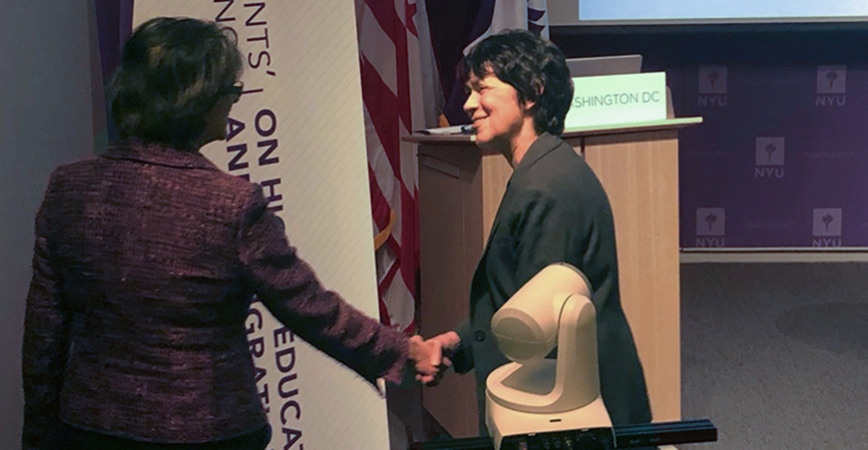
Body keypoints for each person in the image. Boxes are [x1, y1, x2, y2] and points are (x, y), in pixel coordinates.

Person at [21, 17, 441, 450]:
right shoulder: (230, 205)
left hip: (89, 430)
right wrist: (404, 351)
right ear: (197, 101)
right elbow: (311, 310)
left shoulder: (67, 188)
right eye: (231, 91)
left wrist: (36, 437)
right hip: (207, 432)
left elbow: (43, 336)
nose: (234, 103)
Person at [430, 29, 652, 435]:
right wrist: (457, 341)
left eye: (482, 88)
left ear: (531, 94)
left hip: (568, 413)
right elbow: (515, 296)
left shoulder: (546, 187)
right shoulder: (544, 170)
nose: (468, 104)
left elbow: (537, 335)